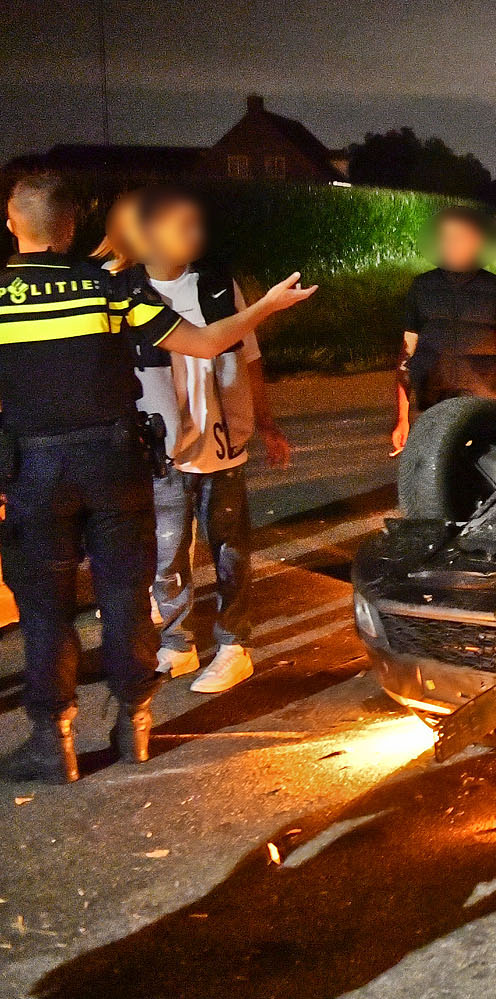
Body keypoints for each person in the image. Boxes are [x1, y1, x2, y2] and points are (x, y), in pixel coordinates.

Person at [0, 173, 315, 784]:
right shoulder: (111, 287)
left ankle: (53, 741)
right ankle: (134, 727)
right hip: (115, 464)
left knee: (46, 609)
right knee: (125, 597)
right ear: (70, 226)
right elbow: (205, 343)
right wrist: (265, 307)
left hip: (34, 470)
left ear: (12, 224)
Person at [135, 187, 292, 693]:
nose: (195, 234)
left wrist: (266, 424)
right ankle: (176, 643)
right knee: (166, 549)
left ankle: (232, 646)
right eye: (182, 224)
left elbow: (249, 359)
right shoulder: (127, 291)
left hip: (221, 439)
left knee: (230, 548)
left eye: (196, 223)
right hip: (161, 445)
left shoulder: (219, 285)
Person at [390, 207, 496, 454]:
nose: (453, 244)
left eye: (461, 237)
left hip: (482, 402)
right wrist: (402, 418)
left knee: (480, 463)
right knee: (438, 463)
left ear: (476, 242)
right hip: (434, 404)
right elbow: (406, 354)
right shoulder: (422, 286)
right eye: (447, 237)